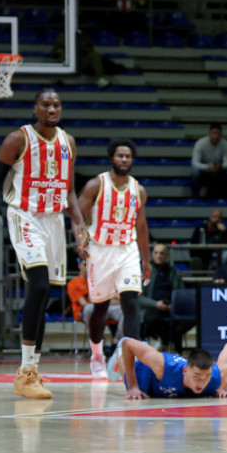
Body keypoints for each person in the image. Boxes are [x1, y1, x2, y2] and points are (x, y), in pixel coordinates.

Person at [0, 89, 89, 399]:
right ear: (35, 108)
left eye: (56, 104)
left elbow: (69, 192)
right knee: (38, 286)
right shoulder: (18, 139)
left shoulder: (68, 142)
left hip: (54, 221)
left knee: (43, 295)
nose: (52, 109)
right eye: (46, 104)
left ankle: (32, 371)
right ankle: (25, 372)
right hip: (24, 215)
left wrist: (79, 225)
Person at [77, 138, 150, 379]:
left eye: (128, 156)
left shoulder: (138, 190)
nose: (124, 160)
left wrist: (146, 260)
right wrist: (80, 240)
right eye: (120, 156)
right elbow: (77, 216)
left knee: (130, 303)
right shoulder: (96, 185)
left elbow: (141, 226)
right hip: (100, 250)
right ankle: (97, 354)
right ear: (112, 158)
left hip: (127, 249)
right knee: (101, 307)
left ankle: (132, 360)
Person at [105, 337, 227, 399]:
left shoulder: (215, 378)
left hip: (154, 379)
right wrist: (132, 387)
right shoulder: (165, 367)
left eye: (206, 377)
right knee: (114, 373)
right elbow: (128, 344)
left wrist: (223, 388)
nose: (201, 383)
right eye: (197, 377)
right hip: (140, 367)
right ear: (185, 371)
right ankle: (119, 354)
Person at [66, 258, 124, 352]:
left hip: (104, 307)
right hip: (86, 311)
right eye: (85, 264)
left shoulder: (99, 280)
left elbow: (114, 298)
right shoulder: (73, 283)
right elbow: (84, 303)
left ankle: (117, 342)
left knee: (123, 309)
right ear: (79, 266)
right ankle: (98, 342)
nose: (88, 267)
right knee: (89, 308)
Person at [139, 242, 188, 351]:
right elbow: (139, 297)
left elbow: (182, 293)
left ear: (167, 255)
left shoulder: (173, 273)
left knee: (184, 321)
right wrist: (156, 304)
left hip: (170, 307)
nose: (159, 256)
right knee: (153, 318)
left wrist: (173, 305)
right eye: (156, 253)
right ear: (152, 254)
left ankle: (170, 346)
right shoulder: (146, 273)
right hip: (152, 307)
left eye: (162, 253)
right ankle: (161, 342)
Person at [191, 123, 227, 200]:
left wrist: (220, 166)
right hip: (205, 170)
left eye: (218, 134)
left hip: (219, 170)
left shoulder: (225, 144)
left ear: (221, 135)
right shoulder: (200, 143)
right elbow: (195, 162)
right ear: (209, 134)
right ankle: (195, 199)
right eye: (214, 133)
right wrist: (207, 167)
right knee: (195, 172)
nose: (216, 136)